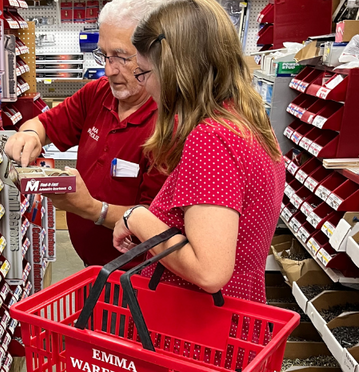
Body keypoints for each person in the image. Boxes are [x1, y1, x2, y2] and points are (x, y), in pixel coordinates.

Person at [113, 0, 285, 303]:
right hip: (233, 318)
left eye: (143, 72)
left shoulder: (211, 139)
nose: (144, 85)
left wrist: (136, 217)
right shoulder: (248, 121)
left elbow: (209, 271)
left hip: (200, 333)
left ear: (174, 70)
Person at [3, 0, 167, 267]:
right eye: (104, 55)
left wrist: (90, 208)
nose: (110, 69)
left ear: (151, 54)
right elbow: (45, 125)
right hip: (92, 268)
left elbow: (155, 222)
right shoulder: (98, 93)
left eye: (122, 57)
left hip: (135, 276)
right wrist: (30, 134)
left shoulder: (167, 121)